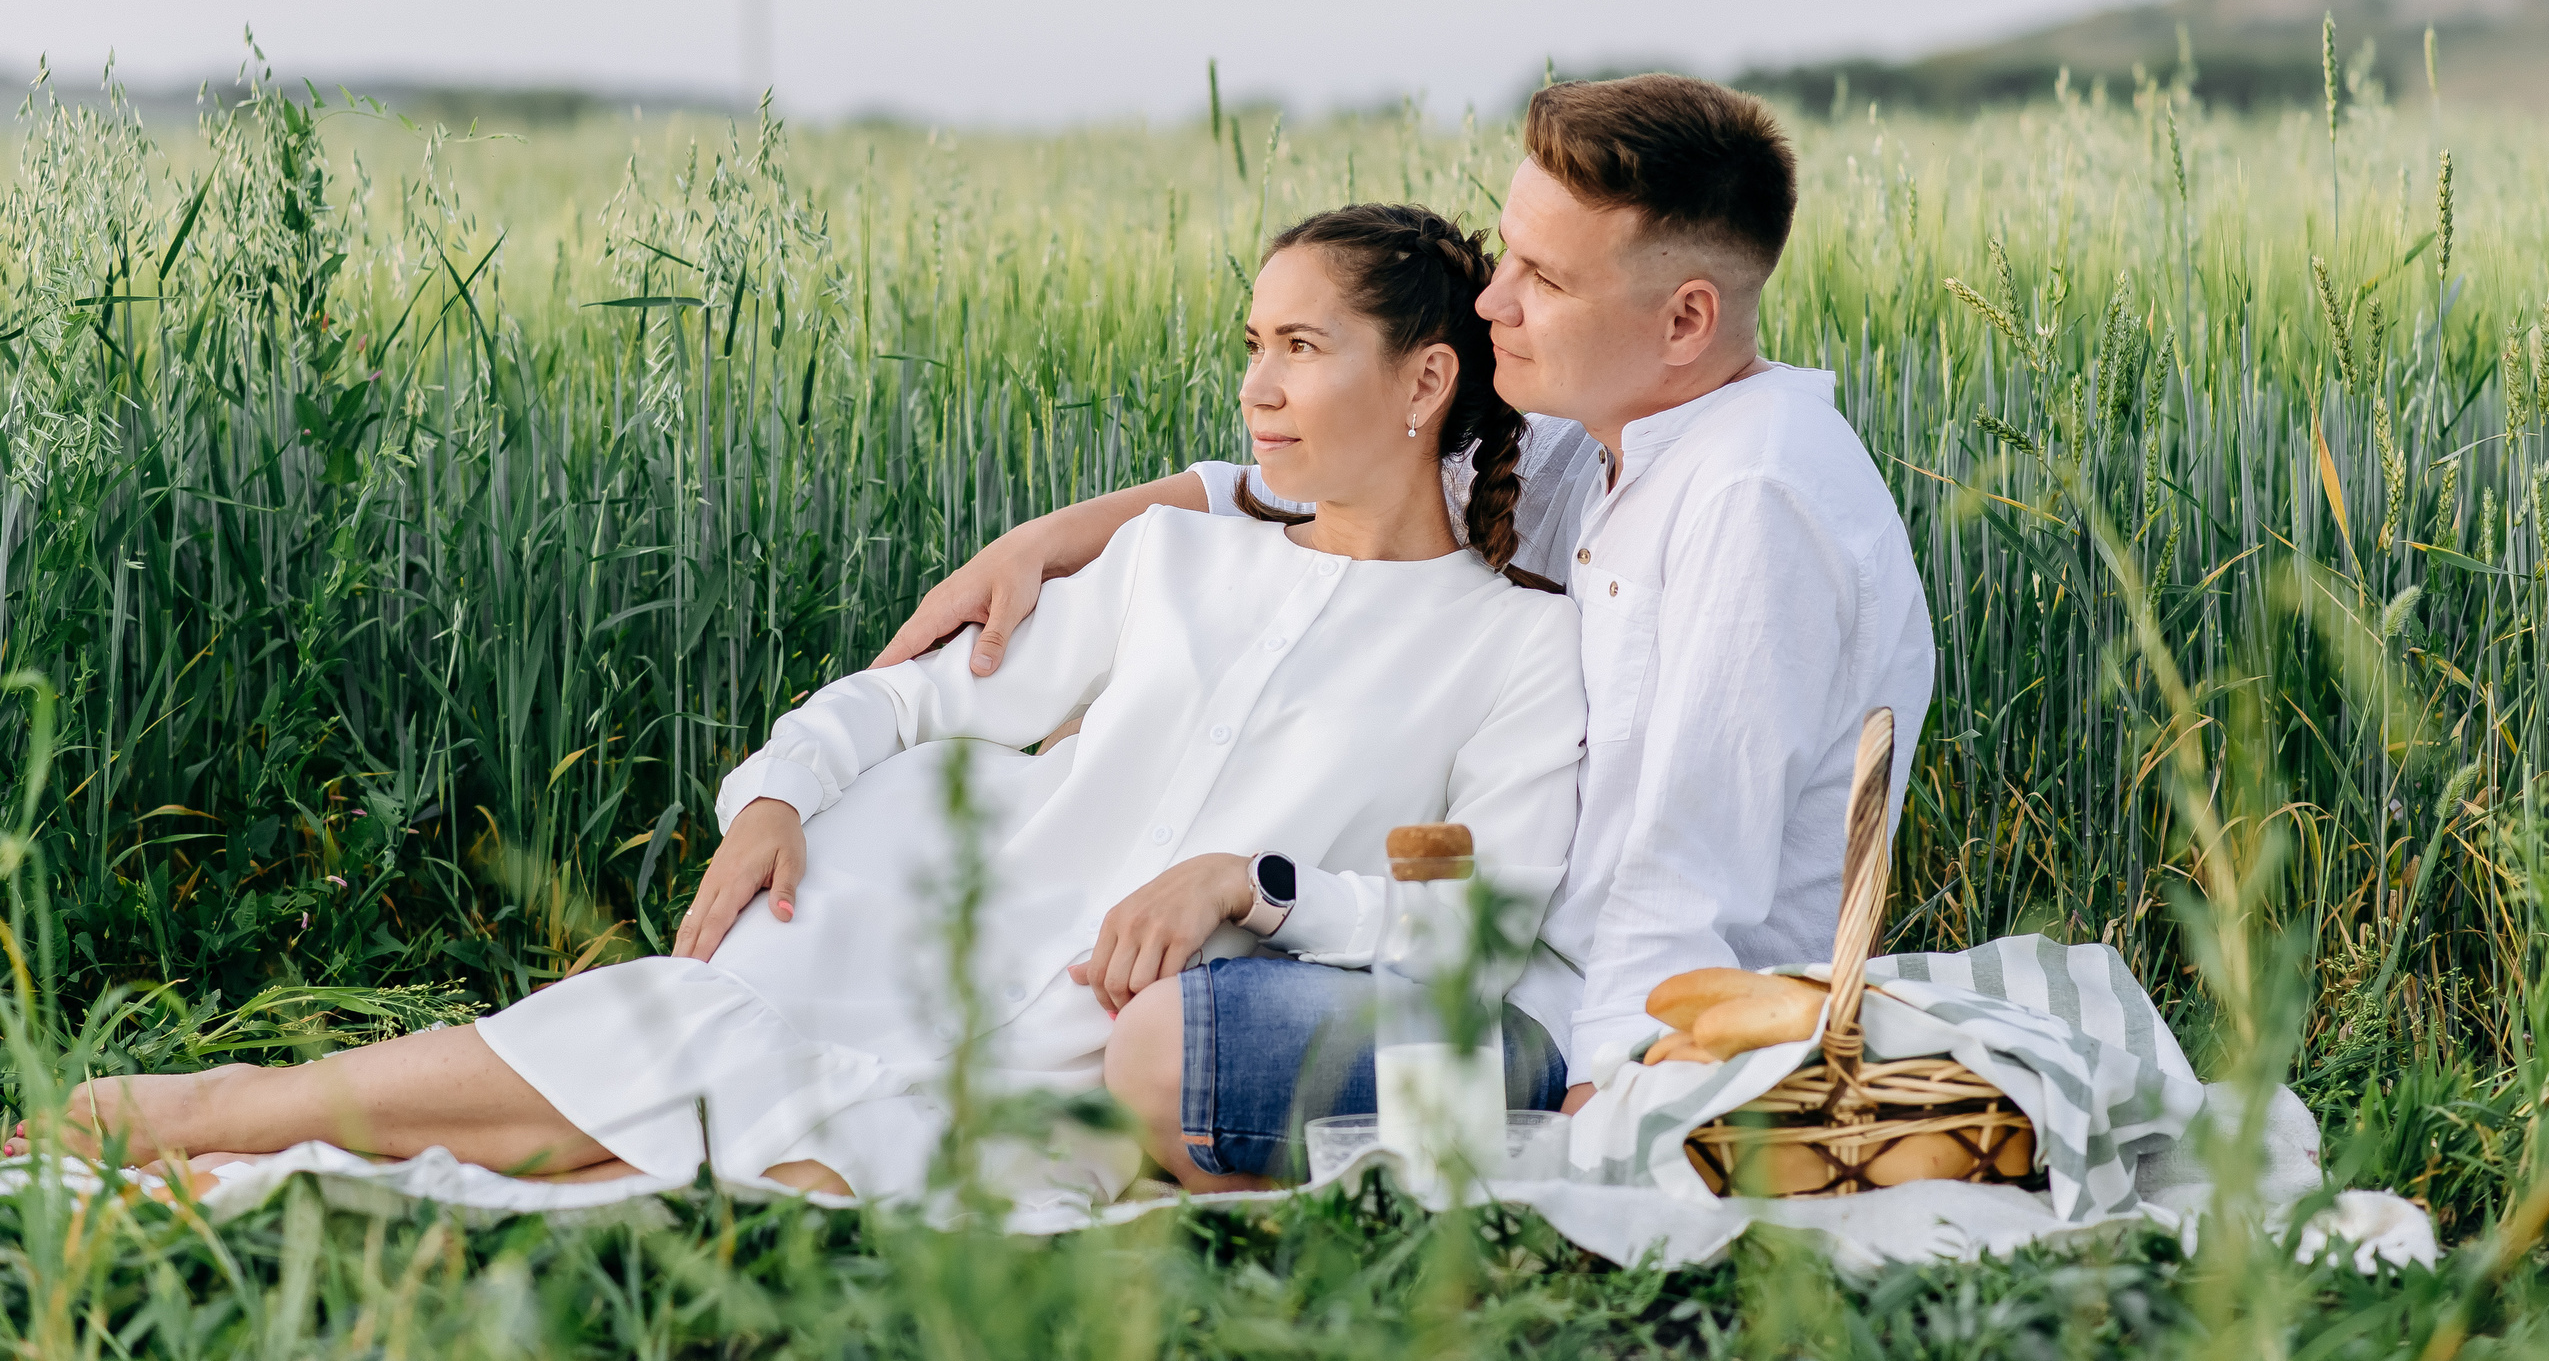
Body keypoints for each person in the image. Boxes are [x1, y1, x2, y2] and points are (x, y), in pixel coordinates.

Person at [10, 206, 1585, 1203]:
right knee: (668, 1052)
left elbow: (1486, 923)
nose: (1255, 385)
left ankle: (216, 1118)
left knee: (748, 1129)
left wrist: (1257, 881)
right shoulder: (1177, 558)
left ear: (1427, 380)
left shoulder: (1512, 647)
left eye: (1300, 349)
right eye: (1253, 345)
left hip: (1089, 1053)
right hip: (936, 941)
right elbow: (898, 708)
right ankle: (206, 1109)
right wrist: (772, 791)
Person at [878, 74, 1935, 1164]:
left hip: (1585, 1028)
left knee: (1161, 1044)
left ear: (1684, 318)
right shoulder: (1604, 444)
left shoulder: (1752, 498)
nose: (1491, 303)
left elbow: (1689, 867)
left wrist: (1605, 1116)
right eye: (1507, 257)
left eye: (1544, 278)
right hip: (1464, 961)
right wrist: (1051, 538)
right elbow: (1347, 479)